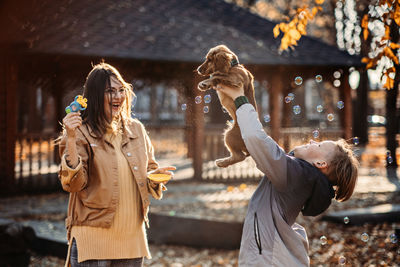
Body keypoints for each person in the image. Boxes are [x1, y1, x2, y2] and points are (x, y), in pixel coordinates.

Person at [214, 84, 359, 266]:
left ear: (321, 164)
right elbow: (265, 149)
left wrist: (241, 99)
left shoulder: (296, 175)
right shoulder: (299, 176)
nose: (313, 141)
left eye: (320, 145)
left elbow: (257, 140)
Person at [58, 62, 175, 267]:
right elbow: (73, 184)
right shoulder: (80, 133)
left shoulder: (136, 129)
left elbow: (148, 171)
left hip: (132, 238)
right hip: (93, 238)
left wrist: (155, 177)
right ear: (95, 96)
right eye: (110, 91)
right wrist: (70, 137)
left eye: (121, 90)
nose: (119, 96)